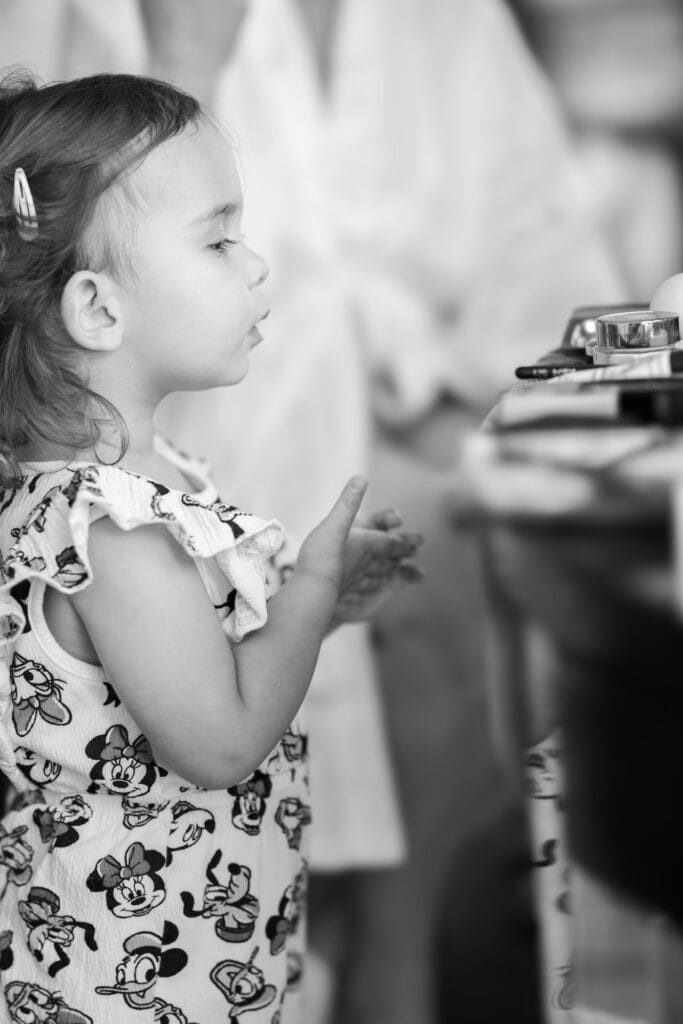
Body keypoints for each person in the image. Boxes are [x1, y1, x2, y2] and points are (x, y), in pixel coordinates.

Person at [0, 70, 422, 1024]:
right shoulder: (112, 529)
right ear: (98, 310)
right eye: (219, 240)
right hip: (132, 981)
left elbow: (190, 663)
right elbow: (220, 741)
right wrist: (310, 586)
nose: (257, 265)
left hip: (195, 950)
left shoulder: (143, 488)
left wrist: (316, 602)